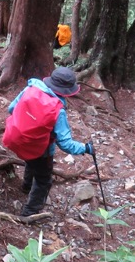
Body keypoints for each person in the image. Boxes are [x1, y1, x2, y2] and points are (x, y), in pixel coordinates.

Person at [7, 67, 93, 216]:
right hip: (41, 149)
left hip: (18, 139)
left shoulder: (31, 89)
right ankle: (30, 213)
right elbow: (65, 144)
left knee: (31, 161)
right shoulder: (57, 110)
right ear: (66, 91)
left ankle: (26, 187)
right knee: (43, 180)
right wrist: (85, 148)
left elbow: (11, 108)